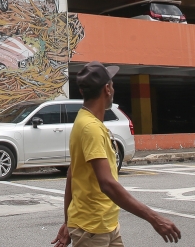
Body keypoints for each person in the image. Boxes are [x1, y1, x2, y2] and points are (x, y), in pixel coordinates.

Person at [53, 62, 181, 246]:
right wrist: (154, 218)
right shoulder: (90, 128)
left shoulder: (86, 122)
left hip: (106, 226)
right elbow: (107, 184)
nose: (113, 89)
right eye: (112, 85)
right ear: (107, 89)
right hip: (92, 229)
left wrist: (68, 222)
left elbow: (72, 174)